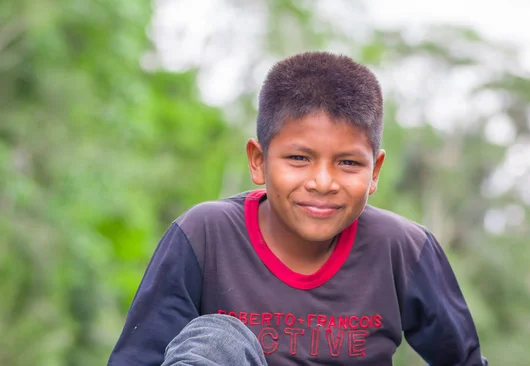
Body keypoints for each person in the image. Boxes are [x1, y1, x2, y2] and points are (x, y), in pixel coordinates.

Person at [108, 52, 488, 365]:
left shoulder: (403, 248)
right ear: (258, 160)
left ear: (376, 171)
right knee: (217, 341)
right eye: (298, 158)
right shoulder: (203, 234)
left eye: (349, 163)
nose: (322, 182)